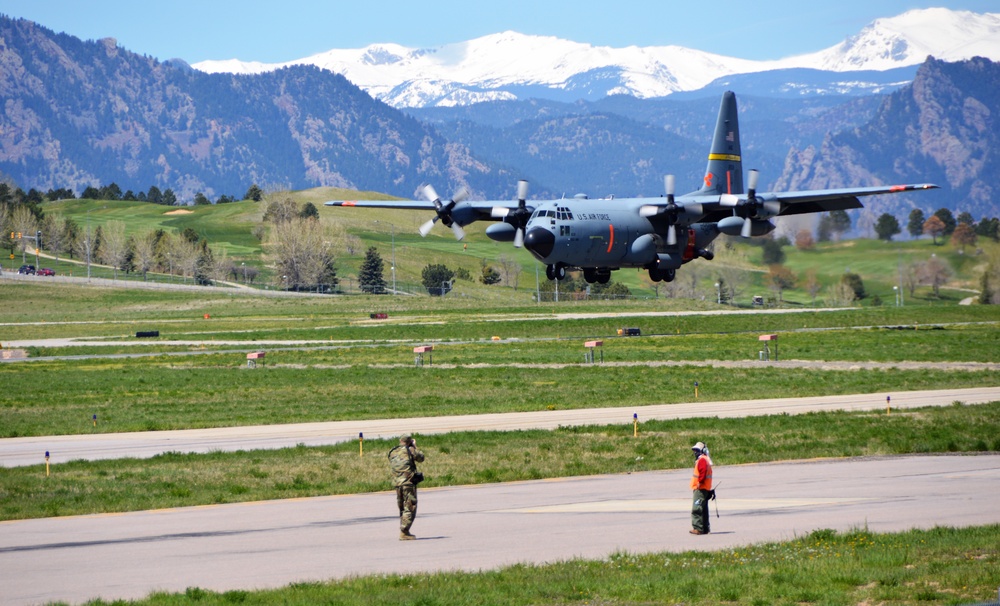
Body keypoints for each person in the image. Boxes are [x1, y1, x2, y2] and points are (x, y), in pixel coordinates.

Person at [388, 434, 425, 540]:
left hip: (397, 483)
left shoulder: (393, 451)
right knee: (410, 507)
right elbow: (421, 458)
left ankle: (404, 529)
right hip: (408, 483)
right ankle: (404, 531)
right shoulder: (410, 450)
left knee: (402, 507)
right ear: (409, 442)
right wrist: (414, 447)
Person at [689, 441, 713, 535]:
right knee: (703, 509)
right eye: (694, 450)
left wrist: (700, 482)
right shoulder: (706, 459)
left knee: (697, 508)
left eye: (697, 450)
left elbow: (702, 473)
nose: (695, 452)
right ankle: (705, 528)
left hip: (700, 488)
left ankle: (698, 528)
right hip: (705, 488)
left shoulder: (702, 460)